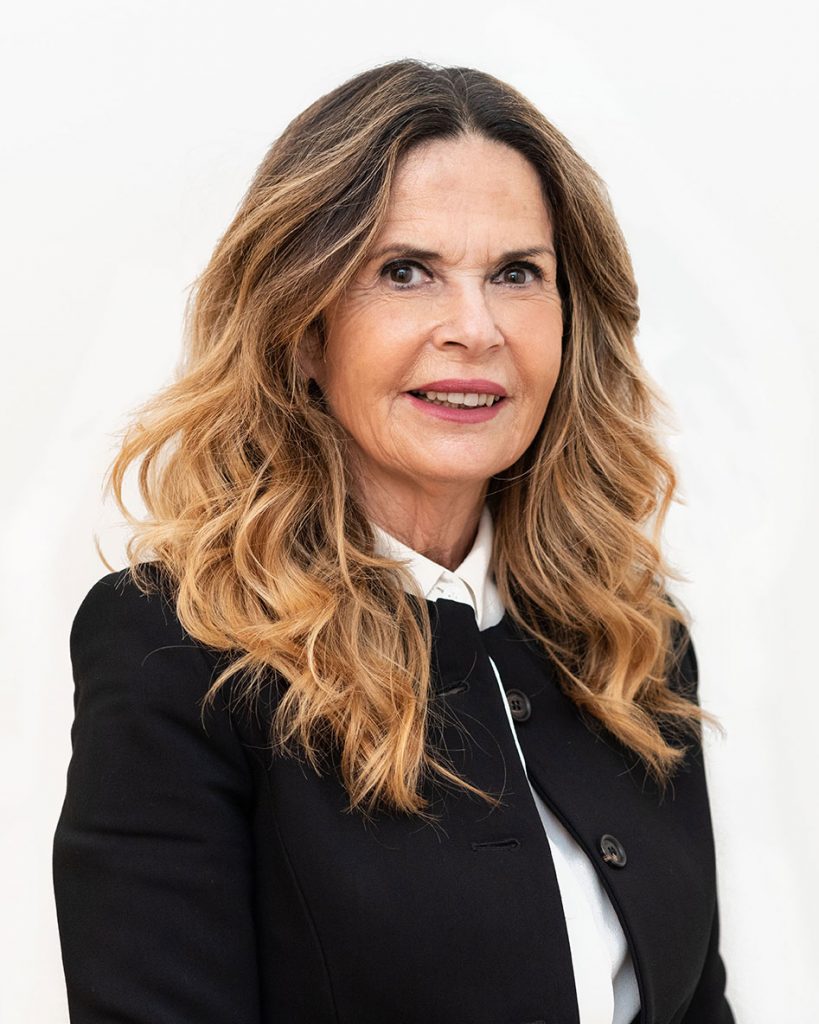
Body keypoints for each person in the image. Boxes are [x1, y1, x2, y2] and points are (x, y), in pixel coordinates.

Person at [52, 59, 735, 1024]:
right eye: (405, 272)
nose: (475, 328)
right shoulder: (177, 649)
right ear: (302, 327)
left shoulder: (630, 638)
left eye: (516, 275)